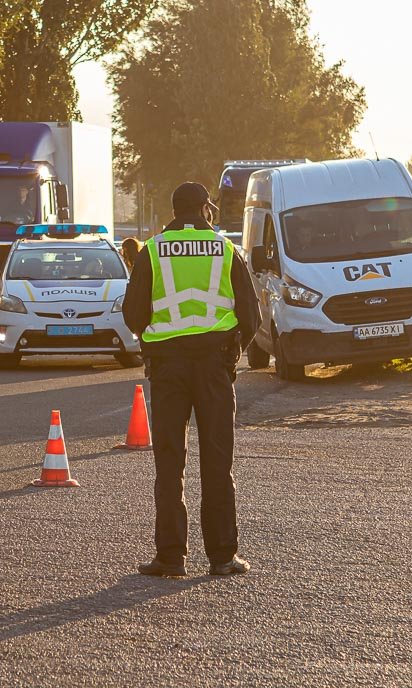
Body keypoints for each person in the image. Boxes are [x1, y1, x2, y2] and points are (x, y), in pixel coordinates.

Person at [123, 181, 261, 577]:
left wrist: (156, 341)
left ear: (173, 210)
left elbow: (134, 314)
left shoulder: (152, 250)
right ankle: (222, 557)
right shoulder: (225, 249)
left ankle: (170, 557)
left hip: (167, 368)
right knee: (217, 462)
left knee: (169, 463)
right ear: (204, 209)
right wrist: (233, 351)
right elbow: (251, 315)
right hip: (215, 366)